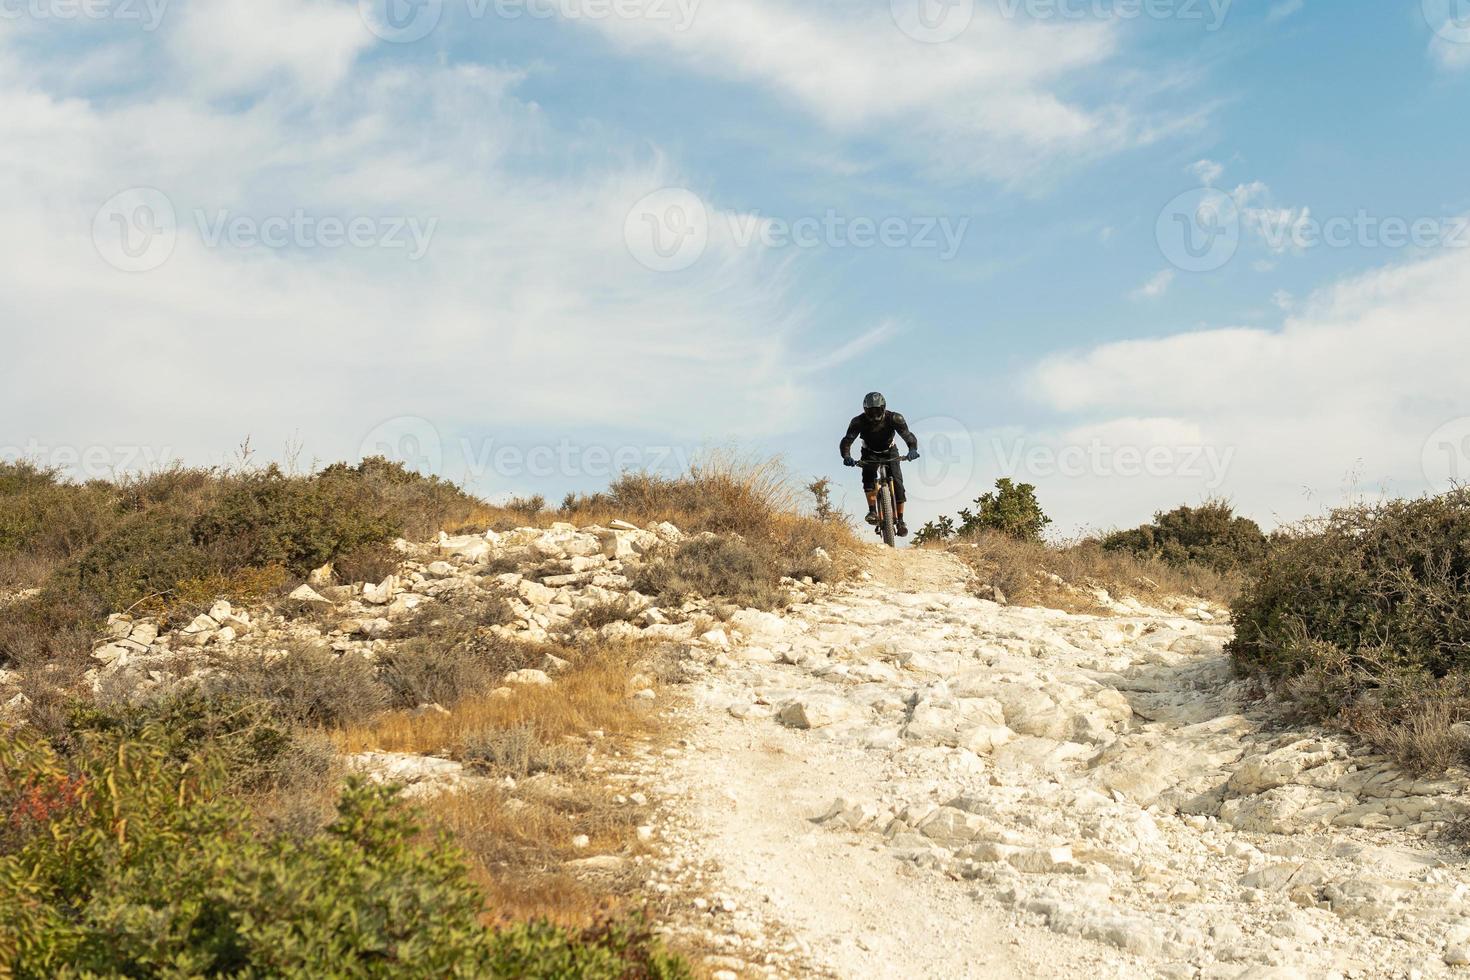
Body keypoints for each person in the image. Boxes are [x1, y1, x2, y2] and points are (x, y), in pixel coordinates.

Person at [839, 392, 920, 536]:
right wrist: (846, 456)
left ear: (883, 408)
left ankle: (900, 521)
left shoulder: (894, 418)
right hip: (869, 451)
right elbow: (847, 440)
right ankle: (872, 511)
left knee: (898, 483)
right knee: (868, 477)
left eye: (877, 409)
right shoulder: (858, 422)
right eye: (871, 410)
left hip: (890, 450)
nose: (874, 413)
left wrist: (912, 449)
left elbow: (908, 436)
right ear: (865, 410)